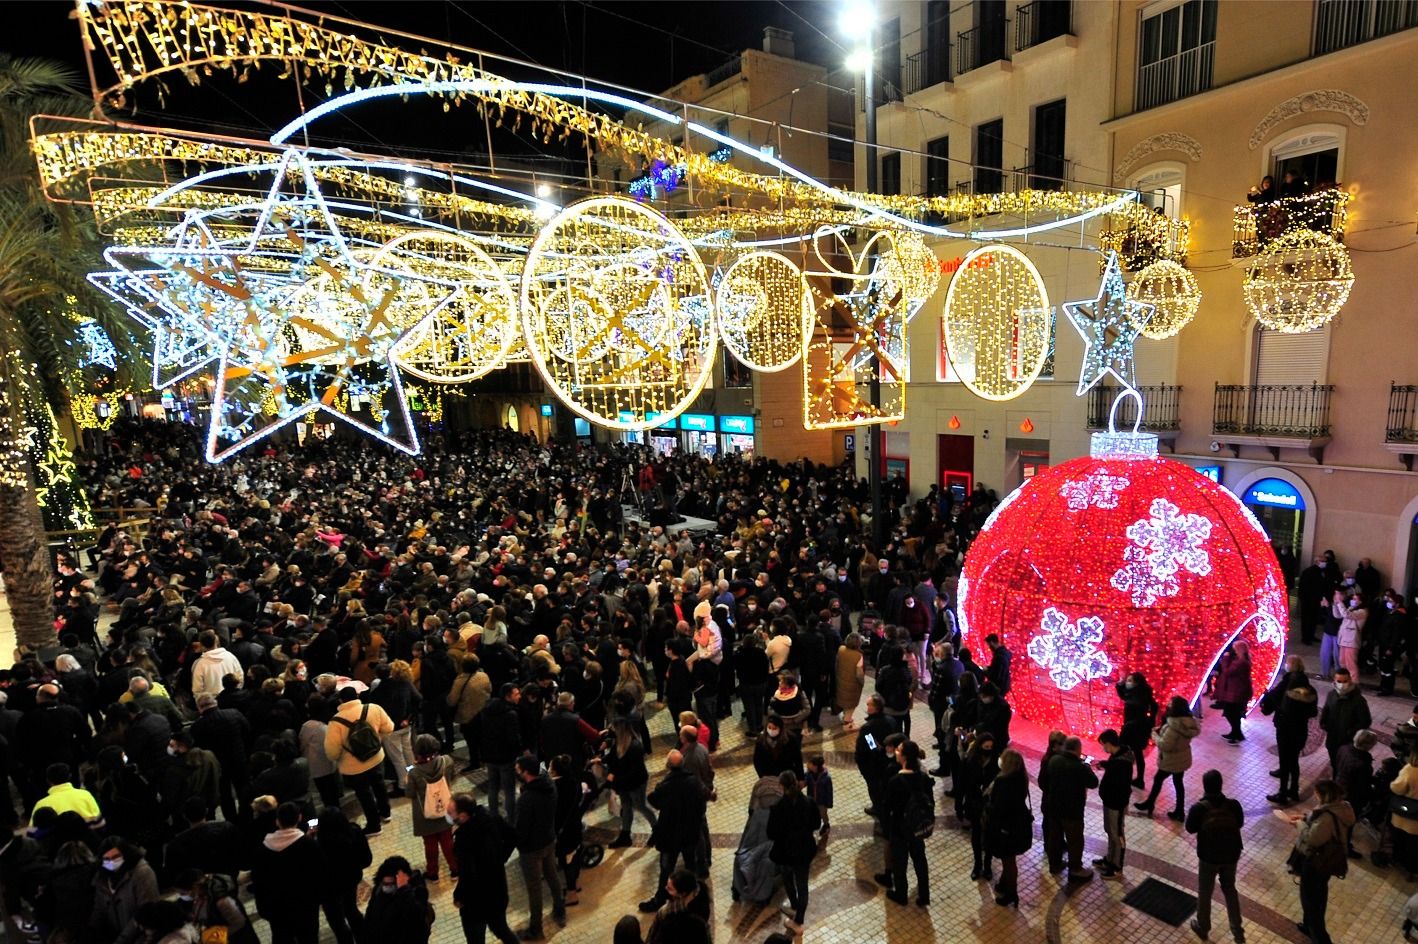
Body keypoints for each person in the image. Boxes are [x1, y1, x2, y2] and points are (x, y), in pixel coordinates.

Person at [642, 749, 710, 913]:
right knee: (689, 866)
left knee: (666, 869)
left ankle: (660, 898)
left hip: (670, 835)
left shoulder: (666, 785)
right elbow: (703, 800)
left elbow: (653, 799)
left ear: (668, 766)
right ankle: (692, 896)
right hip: (689, 833)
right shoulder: (694, 781)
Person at [1185, 769, 1246, 944]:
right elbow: (1240, 823)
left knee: (1205, 891)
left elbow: (1190, 828)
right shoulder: (1233, 805)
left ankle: (1203, 927)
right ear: (1221, 785)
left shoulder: (1199, 807)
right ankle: (1238, 933)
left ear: (1204, 786)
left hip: (1208, 856)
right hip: (1231, 854)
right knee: (1230, 890)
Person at [450, 792, 519, 944]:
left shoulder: (464, 839)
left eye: (450, 813)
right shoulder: (491, 818)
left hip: (475, 902)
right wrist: (500, 859)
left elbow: (467, 874)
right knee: (501, 928)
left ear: (462, 816)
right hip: (497, 891)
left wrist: (459, 896)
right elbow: (512, 836)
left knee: (475, 939)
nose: (448, 816)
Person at [324, 686, 395, 834]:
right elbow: (389, 727)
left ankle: (374, 825)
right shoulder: (374, 708)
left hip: (353, 767)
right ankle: (386, 812)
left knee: (364, 795)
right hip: (376, 757)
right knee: (379, 785)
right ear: (357, 696)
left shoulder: (335, 722)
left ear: (341, 701)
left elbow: (332, 752)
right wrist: (376, 739)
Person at [252, 802, 325, 944]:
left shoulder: (263, 849)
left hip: (277, 909)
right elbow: (320, 874)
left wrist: (264, 909)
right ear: (299, 818)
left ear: (277, 821)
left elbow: (259, 882)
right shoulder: (308, 845)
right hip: (305, 905)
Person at [1293, 780, 1354, 944]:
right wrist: (1306, 818)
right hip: (1327, 861)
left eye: (1317, 793)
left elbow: (1313, 838)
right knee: (1318, 895)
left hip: (1316, 862)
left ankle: (1321, 938)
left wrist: (1299, 824)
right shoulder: (1342, 807)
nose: (1315, 795)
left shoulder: (1327, 816)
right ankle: (1308, 926)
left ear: (1323, 795)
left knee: (1310, 900)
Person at [513, 754, 565, 939]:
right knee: (552, 875)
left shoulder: (527, 799)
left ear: (526, 773)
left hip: (531, 849)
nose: (516, 772)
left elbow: (521, 829)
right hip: (549, 839)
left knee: (534, 888)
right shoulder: (549, 784)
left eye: (518, 770)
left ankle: (536, 928)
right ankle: (559, 909)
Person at [767, 769, 821, 932]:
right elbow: (816, 825)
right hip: (804, 851)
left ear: (782, 786)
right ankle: (800, 917)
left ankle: (795, 909)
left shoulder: (777, 808)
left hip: (785, 853)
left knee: (788, 880)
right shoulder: (809, 803)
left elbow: (771, 833)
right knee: (803, 884)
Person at [1263, 656, 1319, 805]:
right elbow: (1313, 713)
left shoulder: (1287, 688)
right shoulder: (1310, 690)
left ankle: (1282, 793)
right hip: (1301, 730)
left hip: (1286, 730)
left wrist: (1268, 697)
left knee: (1285, 760)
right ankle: (1293, 790)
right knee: (1293, 761)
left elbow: (1276, 703)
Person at [1136, 696, 1199, 820]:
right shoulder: (1188, 722)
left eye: (1171, 703)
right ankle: (1179, 811)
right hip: (1182, 757)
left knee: (1158, 779)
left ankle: (1150, 804)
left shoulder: (1174, 726)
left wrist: (1154, 735)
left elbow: (1165, 745)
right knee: (1178, 783)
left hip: (1172, 760)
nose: (1168, 705)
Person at [1044, 735, 1097, 883]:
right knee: (1075, 841)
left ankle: (1054, 864)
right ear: (1078, 749)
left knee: (1055, 837)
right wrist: (1086, 766)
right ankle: (1075, 869)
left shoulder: (1054, 760)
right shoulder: (1079, 767)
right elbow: (1093, 783)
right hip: (1072, 811)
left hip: (1054, 807)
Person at [406, 733, 458, 881]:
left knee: (430, 845)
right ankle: (455, 870)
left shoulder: (414, 772)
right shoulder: (446, 761)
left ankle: (433, 873)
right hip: (445, 808)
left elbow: (409, 793)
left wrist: (408, 776)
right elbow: (452, 777)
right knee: (448, 841)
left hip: (425, 814)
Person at [90, 837, 160, 944]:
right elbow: (99, 911)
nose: (112, 863)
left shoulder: (142, 873)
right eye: (107, 860)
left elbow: (146, 913)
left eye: (116, 857)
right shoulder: (102, 878)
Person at [984, 747, 1031, 907]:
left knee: (1008, 860)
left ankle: (1011, 893)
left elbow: (998, 807)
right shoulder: (1021, 778)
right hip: (1018, 824)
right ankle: (1005, 884)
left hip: (1006, 828)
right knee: (1009, 859)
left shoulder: (1003, 782)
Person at [605, 717, 657, 848]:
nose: (612, 731)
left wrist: (615, 779)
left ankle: (657, 830)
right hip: (624, 782)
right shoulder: (619, 742)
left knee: (640, 806)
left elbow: (633, 771)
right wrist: (601, 760)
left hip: (635, 783)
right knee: (626, 807)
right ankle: (625, 835)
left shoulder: (635, 746)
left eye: (614, 729)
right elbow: (612, 756)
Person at [959, 727, 999, 880]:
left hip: (990, 805)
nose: (988, 750)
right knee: (976, 835)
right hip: (974, 802)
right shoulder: (970, 761)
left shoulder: (996, 761)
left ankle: (987, 866)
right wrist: (960, 804)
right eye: (985, 747)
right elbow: (962, 783)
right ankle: (977, 864)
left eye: (990, 747)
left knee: (989, 836)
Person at [363, 856, 433, 944]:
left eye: (391, 884)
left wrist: (403, 890)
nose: (386, 887)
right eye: (385, 883)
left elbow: (416, 916)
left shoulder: (417, 891)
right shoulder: (379, 889)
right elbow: (370, 914)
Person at [1095, 729, 1133, 879]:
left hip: (1116, 803)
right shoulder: (1118, 756)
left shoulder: (1122, 763)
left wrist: (1107, 766)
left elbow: (1118, 780)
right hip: (1110, 801)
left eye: (1103, 745)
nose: (1103, 748)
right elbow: (1113, 766)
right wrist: (1104, 764)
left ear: (1109, 744)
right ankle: (1109, 859)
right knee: (1110, 831)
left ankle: (1117, 867)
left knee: (1117, 834)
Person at [1319, 667, 1371, 776]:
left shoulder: (1358, 700)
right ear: (1334, 680)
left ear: (1350, 680)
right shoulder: (1331, 695)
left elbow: (1365, 721)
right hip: (1333, 740)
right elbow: (1326, 710)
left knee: (1345, 769)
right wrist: (1324, 723)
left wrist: (1350, 732)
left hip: (1348, 742)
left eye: (1345, 681)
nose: (1342, 684)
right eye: (1339, 681)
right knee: (1334, 765)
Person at [856, 694, 897, 819]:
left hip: (873, 765)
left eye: (869, 705)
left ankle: (878, 809)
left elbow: (871, 747)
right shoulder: (891, 720)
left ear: (876, 708)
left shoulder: (868, 728)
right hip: (889, 761)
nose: (867, 707)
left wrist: (861, 762)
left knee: (875, 789)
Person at [644, 869, 711, 944]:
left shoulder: (669, 916)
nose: (665, 888)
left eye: (670, 889)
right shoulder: (699, 892)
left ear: (681, 894)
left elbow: (655, 935)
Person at [1116, 671, 1157, 787]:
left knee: (1126, 751)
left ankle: (1127, 776)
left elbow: (1126, 698)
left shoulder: (1137, 697)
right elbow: (1124, 695)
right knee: (1137, 753)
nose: (1127, 683)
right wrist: (1120, 684)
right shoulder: (1139, 693)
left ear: (1136, 683)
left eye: (1129, 681)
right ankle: (1139, 779)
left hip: (1133, 729)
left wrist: (1127, 728)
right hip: (1138, 728)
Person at [1213, 641, 1253, 743]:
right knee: (1232, 713)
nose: (1233, 650)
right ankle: (1235, 733)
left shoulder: (1241, 662)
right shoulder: (1241, 660)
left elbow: (1227, 672)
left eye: (1235, 648)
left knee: (1231, 713)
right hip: (1236, 691)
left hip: (1237, 692)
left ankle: (1237, 734)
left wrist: (1225, 659)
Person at [1390, 749, 1418, 879]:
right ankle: (1411, 870)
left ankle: (1397, 860)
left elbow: (1397, 787)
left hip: (1404, 814)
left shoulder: (1411, 770)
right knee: (1414, 846)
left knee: (1400, 840)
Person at [834, 633, 866, 730]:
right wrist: (862, 683)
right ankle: (847, 723)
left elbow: (836, 664)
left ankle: (845, 717)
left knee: (844, 701)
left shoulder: (841, 649)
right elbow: (859, 674)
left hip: (841, 681)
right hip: (853, 685)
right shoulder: (858, 656)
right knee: (851, 705)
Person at [1335, 591, 1367, 681]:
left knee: (1351, 664)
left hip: (1352, 641)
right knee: (1342, 662)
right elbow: (1338, 615)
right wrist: (1335, 604)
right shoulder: (1351, 608)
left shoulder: (1362, 611)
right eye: (1352, 598)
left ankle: (1354, 684)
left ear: (1361, 602)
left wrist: (1340, 602)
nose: (1352, 600)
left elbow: (1346, 614)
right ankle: (1345, 681)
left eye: (1355, 599)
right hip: (1343, 639)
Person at [805, 753, 834, 835]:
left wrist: (829, 804)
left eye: (811, 764)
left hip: (822, 802)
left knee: (823, 814)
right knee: (812, 814)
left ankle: (826, 825)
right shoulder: (809, 774)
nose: (808, 765)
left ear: (816, 766)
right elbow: (804, 781)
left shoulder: (826, 778)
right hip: (812, 800)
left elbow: (829, 792)